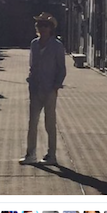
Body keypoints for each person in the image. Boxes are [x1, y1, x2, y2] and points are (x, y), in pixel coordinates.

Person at [19, 12, 66, 166]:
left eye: (45, 25)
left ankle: (51, 155)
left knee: (49, 123)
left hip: (50, 89)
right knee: (32, 122)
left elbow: (61, 68)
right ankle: (30, 154)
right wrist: (31, 80)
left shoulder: (57, 46)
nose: (42, 28)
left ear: (51, 28)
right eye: (40, 25)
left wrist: (56, 85)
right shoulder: (34, 44)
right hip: (35, 88)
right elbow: (32, 65)